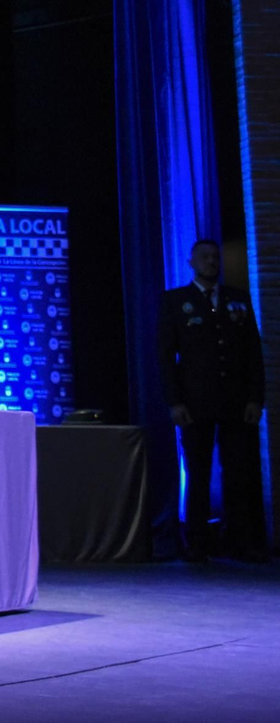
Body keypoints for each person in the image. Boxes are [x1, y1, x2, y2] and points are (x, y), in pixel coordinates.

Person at [159, 239, 267, 562]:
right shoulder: (177, 302)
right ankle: (197, 542)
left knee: (238, 472)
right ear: (191, 262)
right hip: (195, 402)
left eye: (214, 257)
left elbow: (253, 354)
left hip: (235, 401)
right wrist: (174, 402)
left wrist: (255, 398)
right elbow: (165, 357)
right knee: (198, 472)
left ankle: (240, 540)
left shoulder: (237, 300)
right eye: (204, 257)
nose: (211, 262)